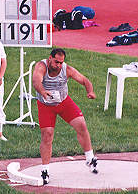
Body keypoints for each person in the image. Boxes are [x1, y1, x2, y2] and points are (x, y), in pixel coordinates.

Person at [32, 48, 98, 185]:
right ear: (50, 58)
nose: (58, 65)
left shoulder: (66, 69)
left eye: (61, 62)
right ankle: (45, 170)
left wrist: (90, 91)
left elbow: (85, 80)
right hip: (46, 106)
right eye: (56, 62)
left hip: (63, 102)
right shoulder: (41, 66)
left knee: (81, 124)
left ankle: (90, 158)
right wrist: (43, 91)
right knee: (47, 135)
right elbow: (36, 81)